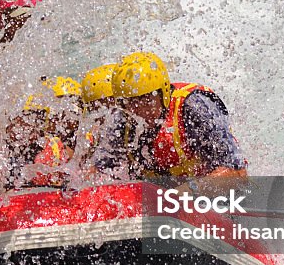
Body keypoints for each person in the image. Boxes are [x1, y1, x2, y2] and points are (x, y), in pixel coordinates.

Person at [105, 52, 247, 182]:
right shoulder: (123, 121)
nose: (139, 110)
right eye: (130, 102)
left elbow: (236, 171)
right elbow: (99, 172)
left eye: (146, 100)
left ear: (163, 92)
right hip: (162, 198)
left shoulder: (194, 108)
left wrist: (188, 192)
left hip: (210, 196)